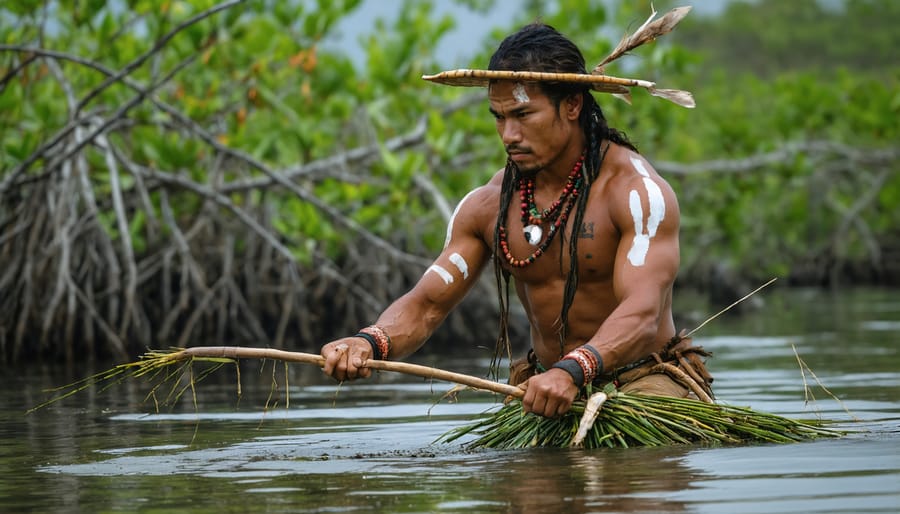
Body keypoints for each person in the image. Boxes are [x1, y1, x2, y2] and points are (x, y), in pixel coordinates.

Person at [321, 22, 712, 418]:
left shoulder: (635, 194)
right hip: (542, 387)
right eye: (499, 117)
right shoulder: (488, 206)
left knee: (637, 474)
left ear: (573, 104)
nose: (508, 135)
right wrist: (369, 343)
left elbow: (643, 313)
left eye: (523, 114)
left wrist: (573, 370)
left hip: (641, 381)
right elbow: (426, 306)